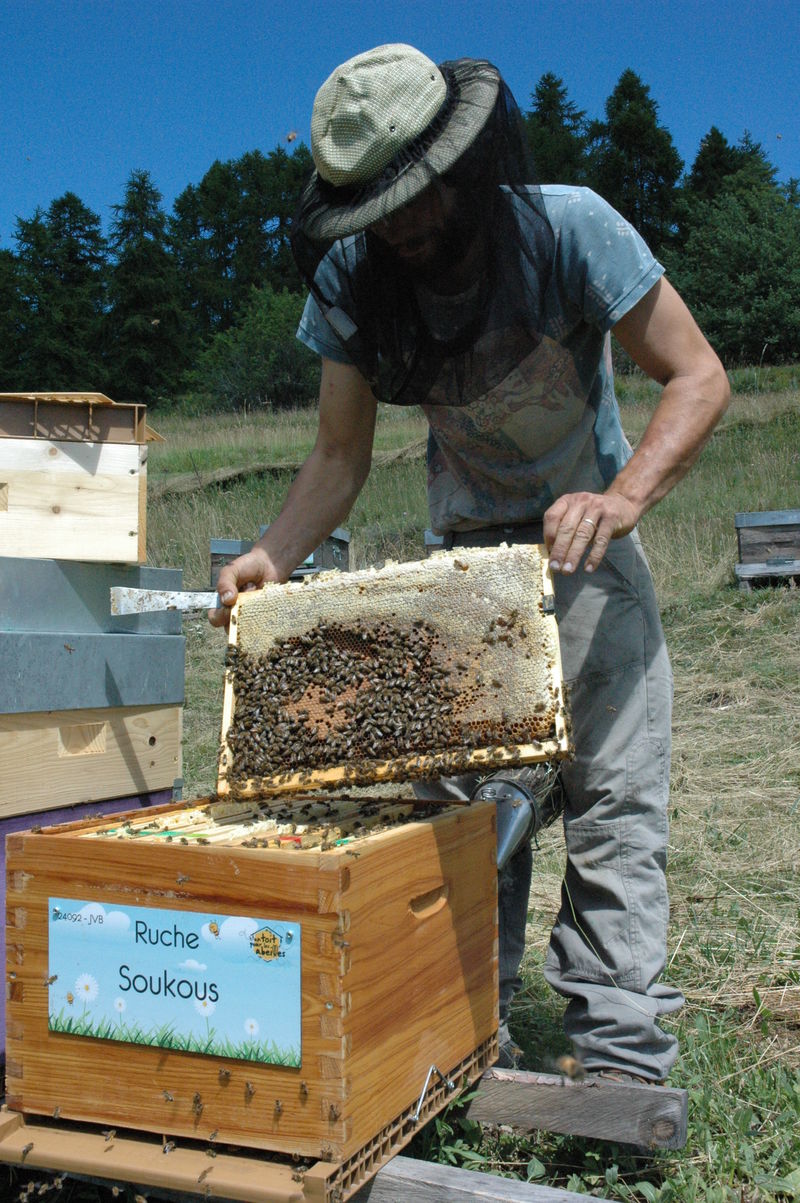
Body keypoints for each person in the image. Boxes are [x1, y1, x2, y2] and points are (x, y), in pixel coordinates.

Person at [210, 44, 730, 1083]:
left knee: (614, 808)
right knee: (457, 826)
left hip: (588, 560)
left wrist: (620, 498)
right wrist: (270, 553)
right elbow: (337, 457)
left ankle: (619, 1059)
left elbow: (697, 374)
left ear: (465, 161)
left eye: (415, 198)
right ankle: (449, 1039)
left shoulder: (570, 226)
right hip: (460, 589)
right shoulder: (357, 284)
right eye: (375, 208)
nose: (400, 225)